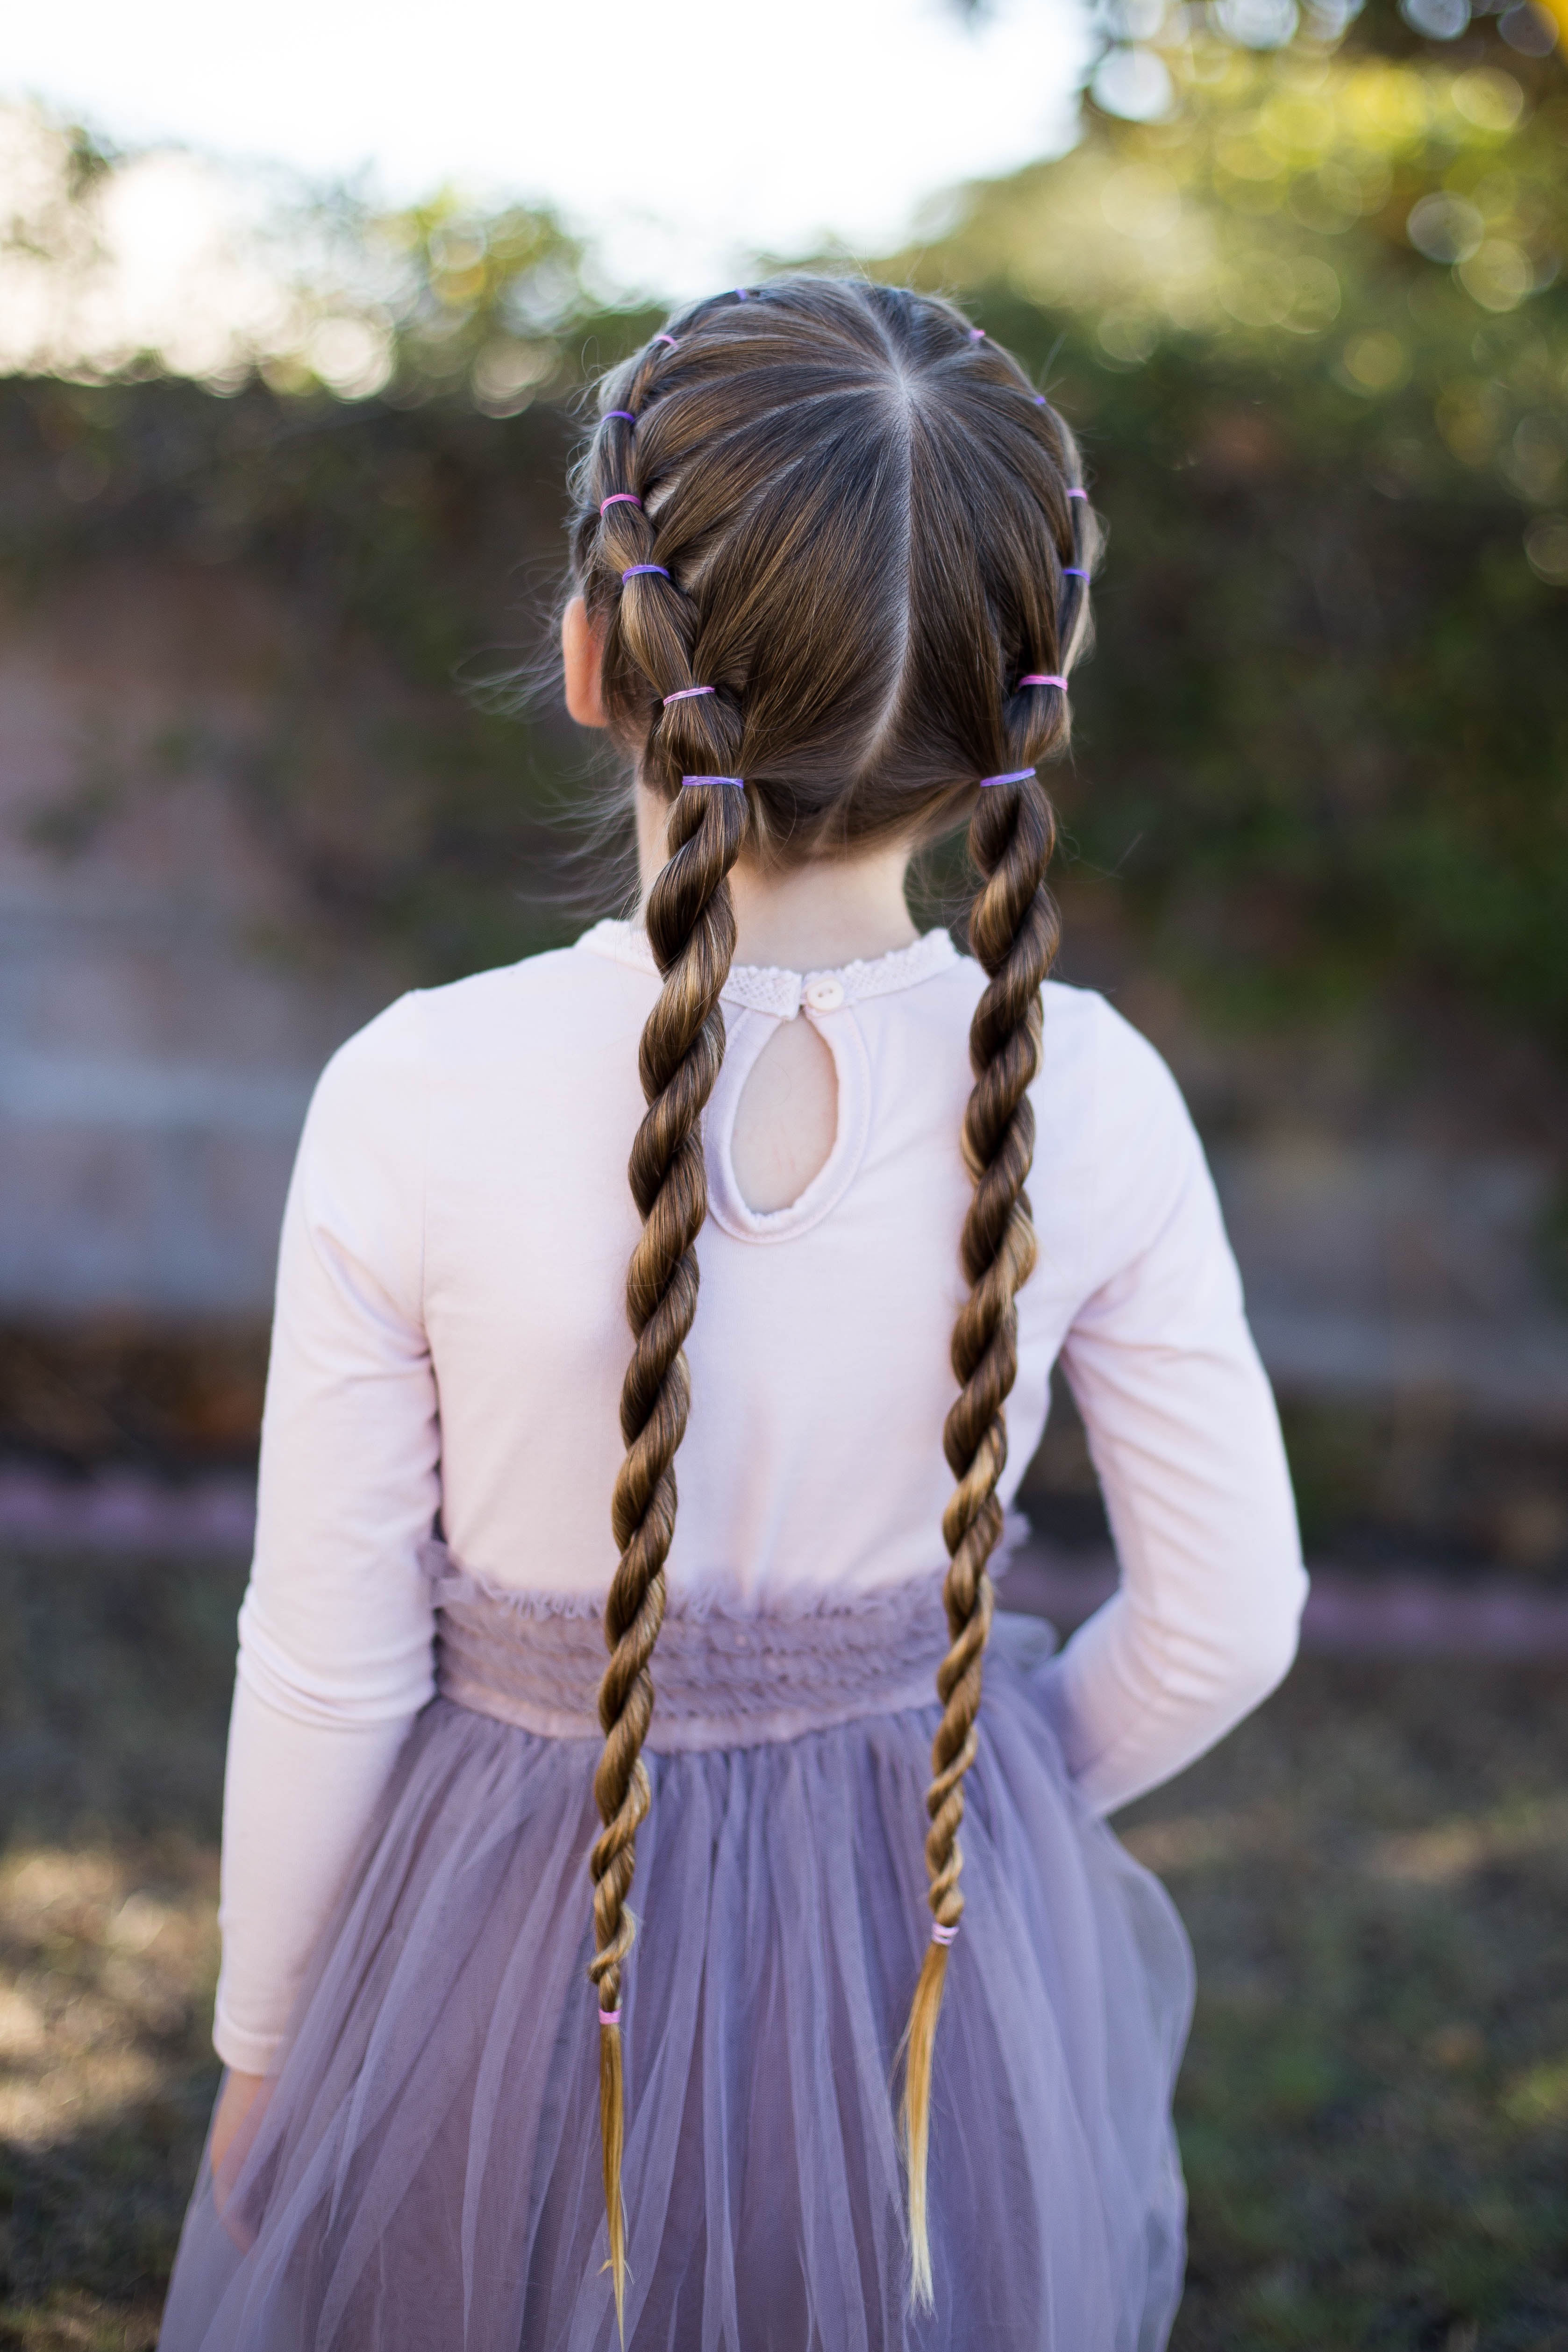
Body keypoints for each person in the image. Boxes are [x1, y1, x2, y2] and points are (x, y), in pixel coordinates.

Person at [158, 277, 1306, 2352]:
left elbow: (325, 1659)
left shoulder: (415, 1086)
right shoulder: (1095, 1090)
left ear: (599, 651)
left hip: (486, 1968)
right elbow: (1227, 1614)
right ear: (1014, 698)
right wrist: (975, 1780)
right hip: (929, 1954)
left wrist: (269, 2053)